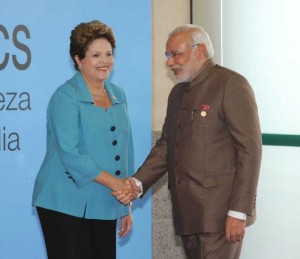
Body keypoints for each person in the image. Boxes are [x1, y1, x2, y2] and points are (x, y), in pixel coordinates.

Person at [113, 24, 262, 259]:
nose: (170, 62)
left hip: (220, 217)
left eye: (176, 54)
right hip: (187, 215)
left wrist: (239, 211)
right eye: (167, 55)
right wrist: (137, 183)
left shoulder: (231, 84)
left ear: (200, 51)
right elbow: (166, 147)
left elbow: (250, 151)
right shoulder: (177, 94)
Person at [32, 20, 137, 259]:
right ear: (78, 60)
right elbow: (71, 153)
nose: (105, 61)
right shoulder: (65, 96)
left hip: (104, 200)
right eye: (96, 55)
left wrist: (125, 205)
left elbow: (124, 151)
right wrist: (116, 185)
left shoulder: (118, 94)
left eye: (109, 54)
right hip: (63, 202)